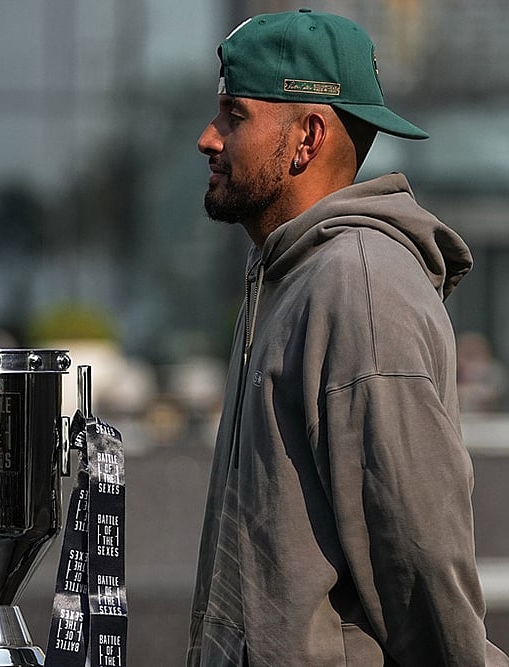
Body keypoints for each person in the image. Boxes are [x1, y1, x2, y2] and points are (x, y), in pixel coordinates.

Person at [188, 9, 509, 665]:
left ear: (307, 138)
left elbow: (421, 562)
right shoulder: (287, 275)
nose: (207, 138)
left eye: (234, 115)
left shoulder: (358, 287)